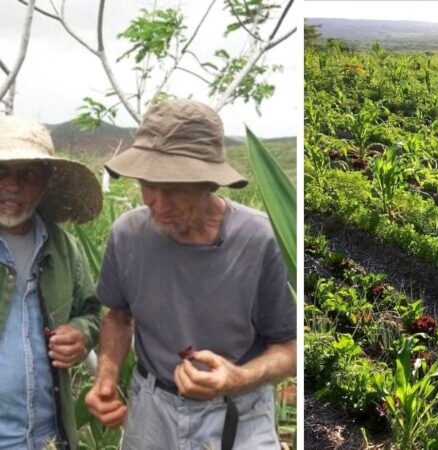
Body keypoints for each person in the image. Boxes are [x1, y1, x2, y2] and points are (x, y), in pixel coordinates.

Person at [85, 99, 296, 450]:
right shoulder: (128, 234)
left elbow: (289, 346)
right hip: (152, 409)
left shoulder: (261, 240)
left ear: (209, 182)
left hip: (239, 410)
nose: (158, 202)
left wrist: (238, 377)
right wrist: (105, 379)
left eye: (175, 188)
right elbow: (118, 317)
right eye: (148, 184)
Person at [0, 116, 103, 449]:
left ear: (45, 184)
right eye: (1, 172)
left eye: (28, 174)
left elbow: (92, 312)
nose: (12, 186)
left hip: (49, 436)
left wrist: (80, 333)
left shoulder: (62, 247)